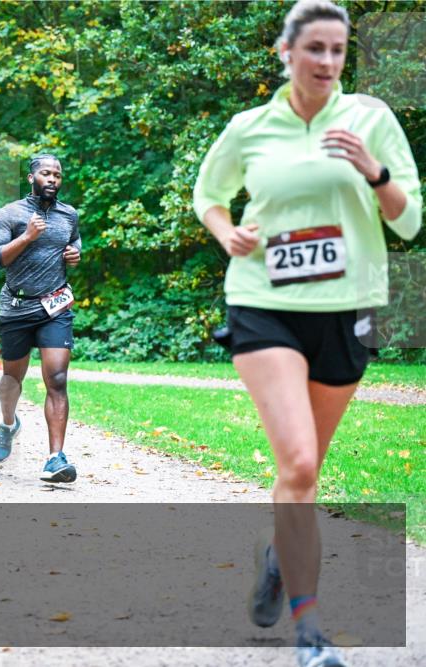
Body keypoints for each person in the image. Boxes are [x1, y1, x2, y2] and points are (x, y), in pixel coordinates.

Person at [192, 2, 421, 665]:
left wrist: (374, 172)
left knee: (305, 471)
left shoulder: (370, 120)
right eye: (314, 48)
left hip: (348, 306)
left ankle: (276, 557)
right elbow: (209, 192)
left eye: (337, 51)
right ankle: (311, 629)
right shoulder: (250, 127)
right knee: (296, 462)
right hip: (264, 301)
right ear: (284, 52)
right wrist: (225, 231)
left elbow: (408, 221)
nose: (326, 62)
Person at [0, 154, 82, 483]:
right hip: (16, 307)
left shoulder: (69, 215)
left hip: (54, 307)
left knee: (57, 379)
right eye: (45, 173)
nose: (52, 179)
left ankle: (56, 458)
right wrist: (26, 237)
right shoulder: (11, 214)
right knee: (12, 380)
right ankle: (8, 425)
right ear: (31, 178)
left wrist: (74, 255)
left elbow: (74, 244)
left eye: (57, 174)